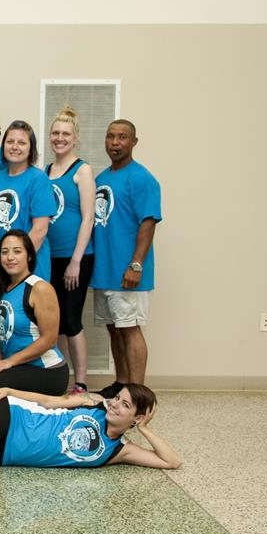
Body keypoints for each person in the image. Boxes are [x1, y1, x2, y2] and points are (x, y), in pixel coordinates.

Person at [0, 383, 181, 471]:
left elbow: (171, 461)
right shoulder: (93, 403)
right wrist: (9, 390)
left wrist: (145, 430)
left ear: (136, 418)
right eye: (118, 399)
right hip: (11, 416)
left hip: (7, 455)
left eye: (125, 406)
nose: (115, 405)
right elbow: (48, 401)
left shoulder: (118, 450)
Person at [92, 120, 162, 398]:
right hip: (105, 270)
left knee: (130, 329)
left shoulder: (142, 178)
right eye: (110, 136)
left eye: (122, 137)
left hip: (128, 271)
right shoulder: (102, 178)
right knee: (115, 329)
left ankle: (137, 393)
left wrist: (136, 265)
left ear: (134, 142)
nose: (115, 142)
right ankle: (122, 383)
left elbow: (148, 222)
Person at [0, 230, 69, 404]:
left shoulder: (39, 288)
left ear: (29, 256)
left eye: (17, 251)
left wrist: (9, 362)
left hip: (47, 371)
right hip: (19, 367)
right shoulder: (2, 289)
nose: (10, 257)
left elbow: (49, 340)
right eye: (4, 252)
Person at [45, 105, 96, 394]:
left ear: (75, 138)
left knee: (72, 318)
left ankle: (81, 384)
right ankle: (59, 380)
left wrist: (76, 261)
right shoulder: (46, 171)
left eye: (65, 133)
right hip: (49, 257)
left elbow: (88, 218)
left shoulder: (82, 170)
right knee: (56, 323)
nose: (59, 138)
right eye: (55, 133)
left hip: (76, 257)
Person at [0, 119, 55, 286]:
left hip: (30, 270)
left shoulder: (38, 179)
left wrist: (16, 269)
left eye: (22, 142)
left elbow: (40, 229)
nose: (15, 147)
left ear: (31, 149)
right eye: (10, 142)